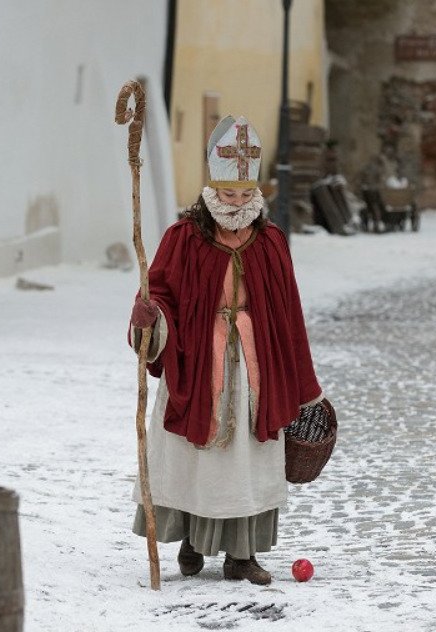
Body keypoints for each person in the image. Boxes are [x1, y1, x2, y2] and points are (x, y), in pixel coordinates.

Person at [128, 115, 323, 585]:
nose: (235, 204)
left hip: (255, 366)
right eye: (227, 194)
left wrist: (303, 386)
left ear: (254, 191)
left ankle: (242, 553)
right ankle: (193, 542)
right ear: (211, 189)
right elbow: (160, 294)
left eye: (242, 195)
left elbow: (288, 315)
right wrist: (148, 317)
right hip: (197, 360)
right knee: (198, 457)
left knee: (245, 463)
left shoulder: (271, 243)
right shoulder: (183, 238)